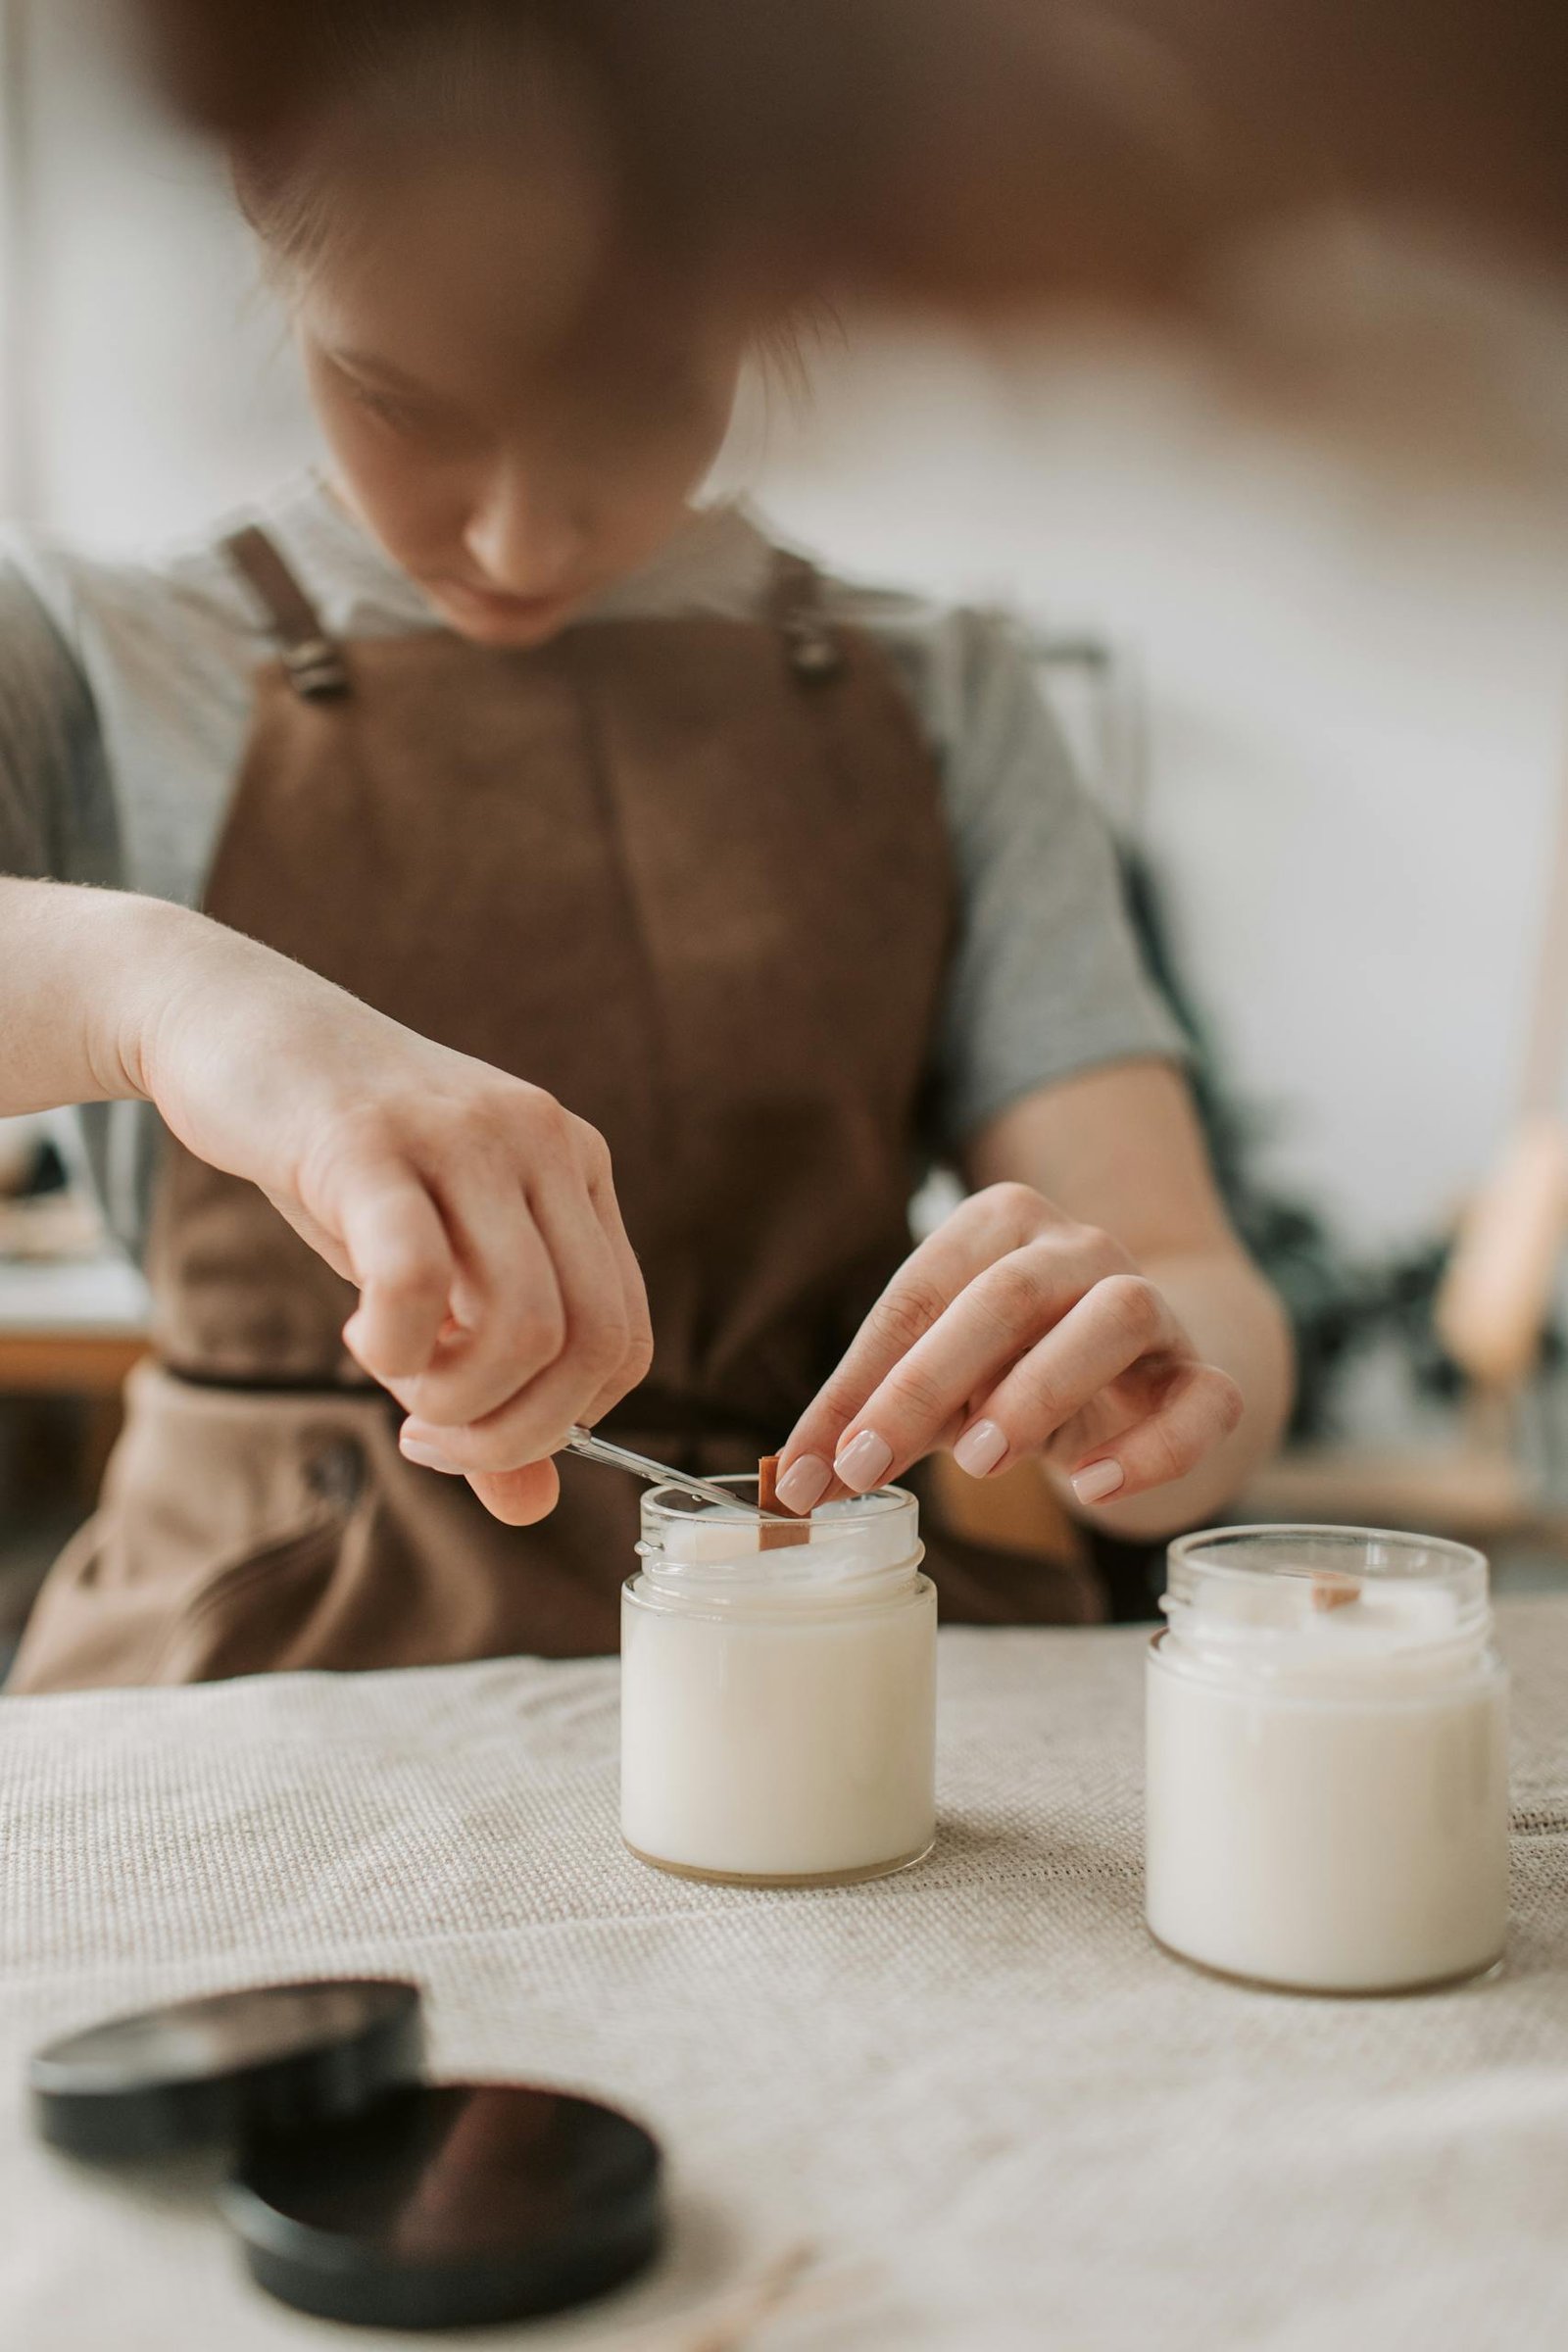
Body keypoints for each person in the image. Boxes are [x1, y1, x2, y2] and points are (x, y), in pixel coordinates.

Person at [0, 9, 1290, 1690]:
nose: (520, 535)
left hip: (834, 1644)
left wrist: (1158, 1372)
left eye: (636, 396)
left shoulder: (945, 693)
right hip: (258, 1680)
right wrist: (158, 991)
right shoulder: (84, 650)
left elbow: (1194, 1284)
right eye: (405, 399)